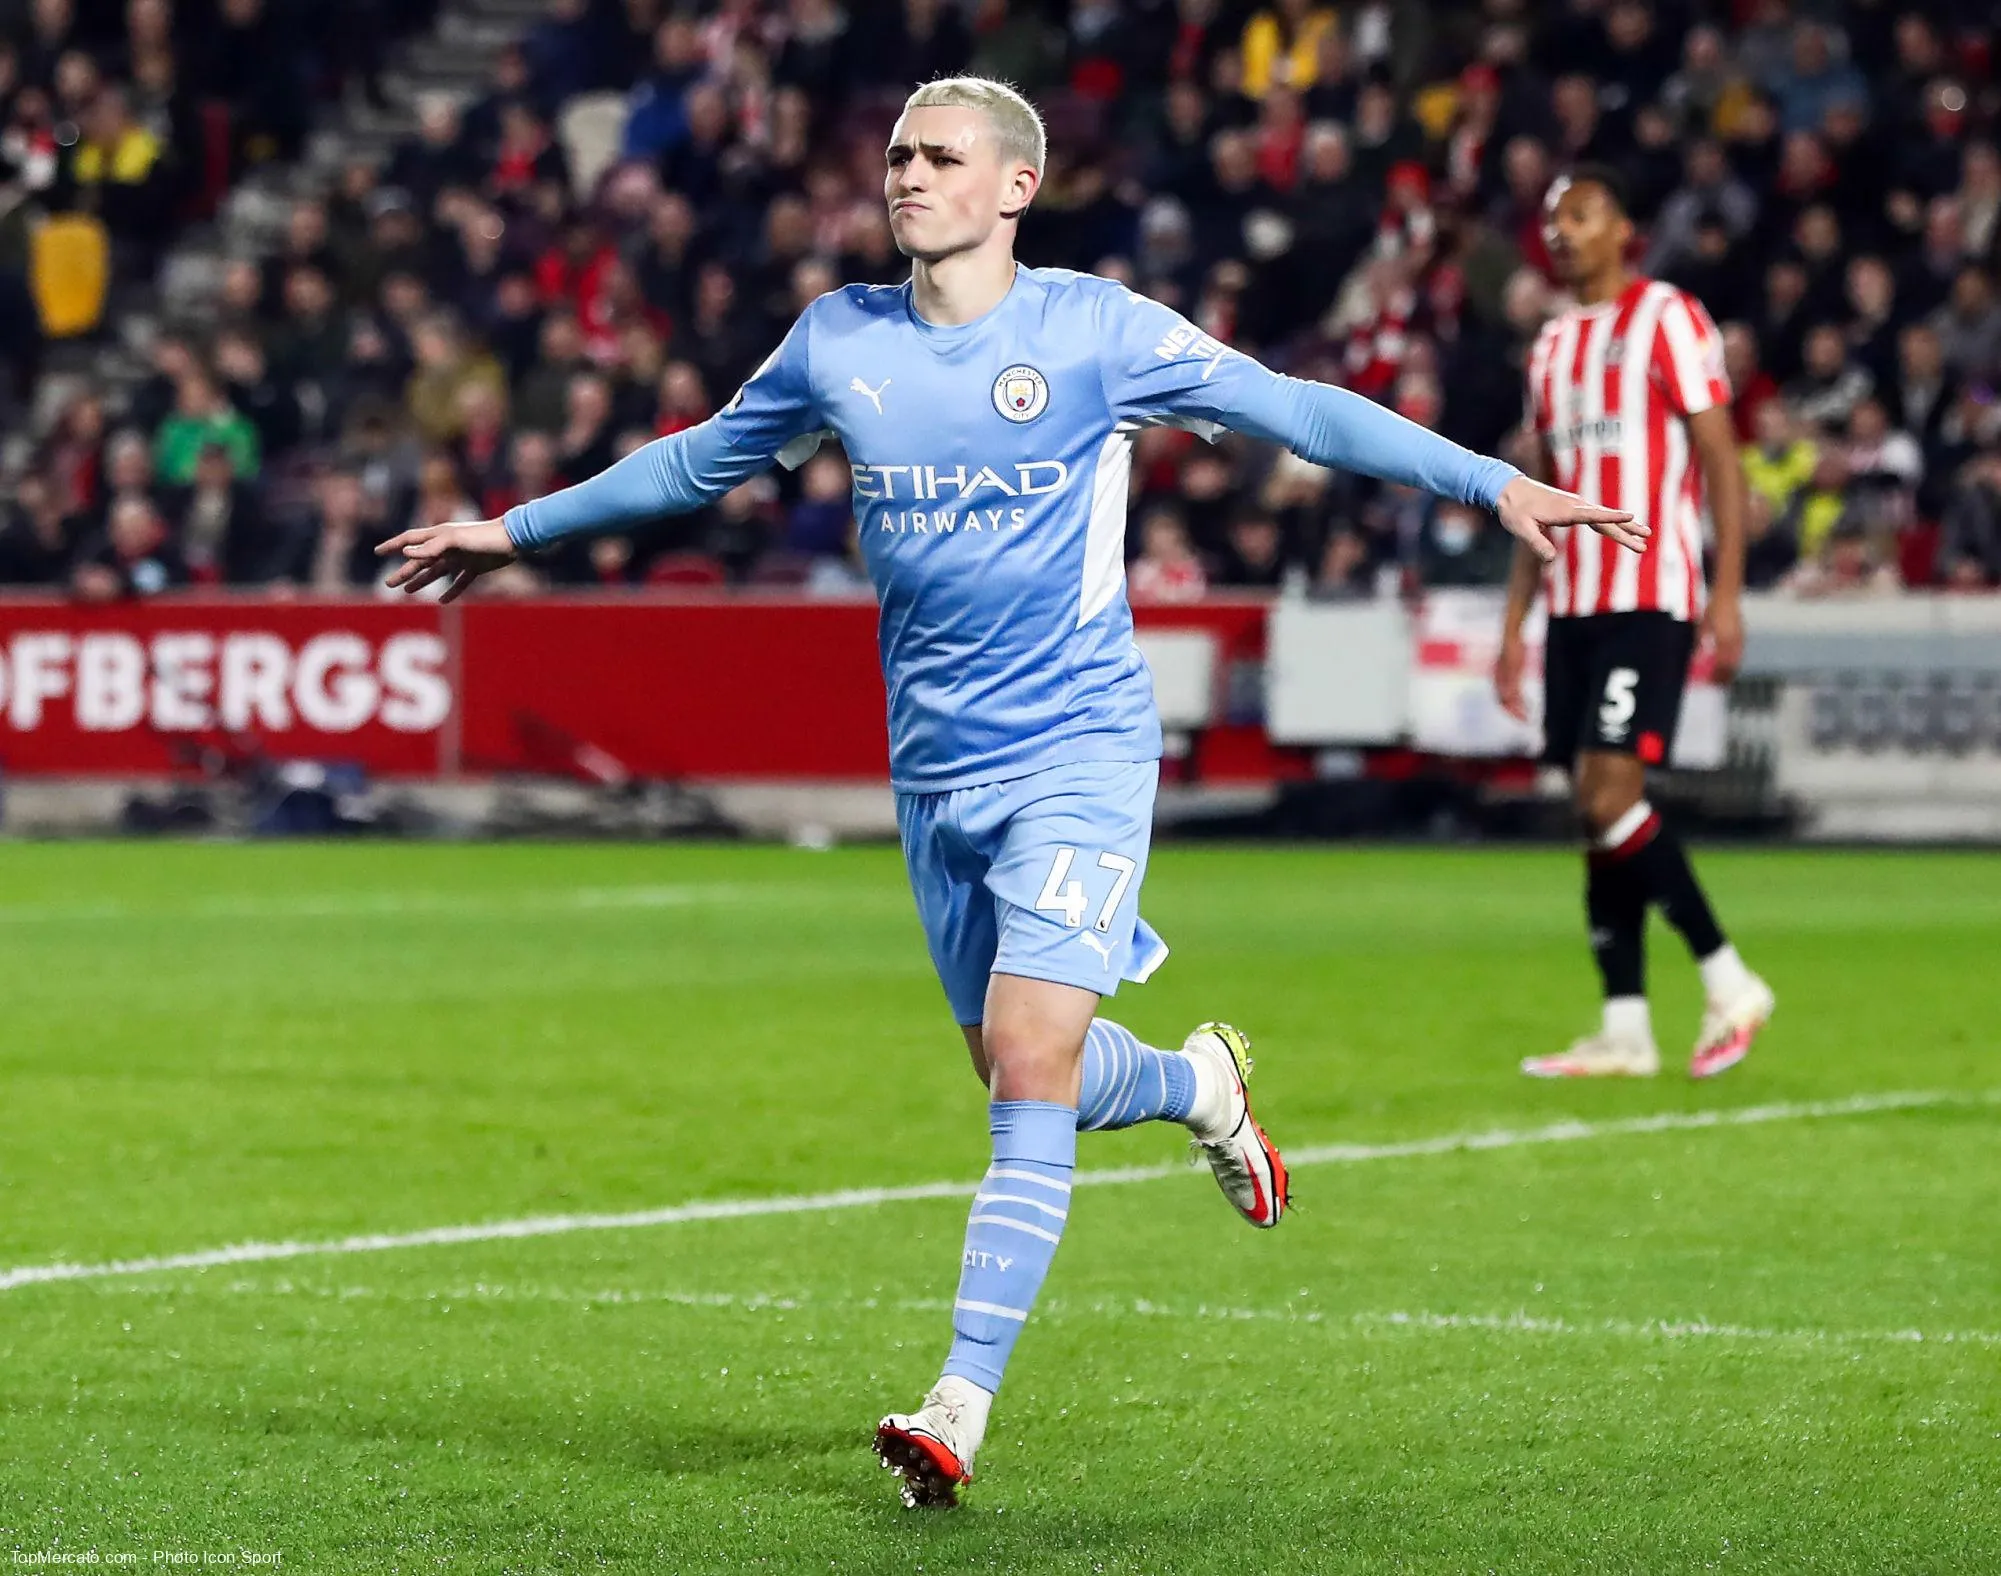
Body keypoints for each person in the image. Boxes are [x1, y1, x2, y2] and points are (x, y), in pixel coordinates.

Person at [378, 76, 1632, 1507]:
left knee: (1026, 1069)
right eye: (898, 152)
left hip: (1080, 751)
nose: (908, 174)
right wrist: (514, 530)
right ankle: (1195, 1085)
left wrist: (1491, 485)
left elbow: (1295, 412)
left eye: (941, 156)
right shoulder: (837, 342)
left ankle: (957, 1403)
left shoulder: (1094, 332)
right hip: (934, 773)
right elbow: (694, 463)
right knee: (1018, 1068)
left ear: (1014, 186)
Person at [1496, 164, 1776, 1083]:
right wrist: (1512, 627)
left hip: (1649, 592)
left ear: (1624, 229)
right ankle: (1624, 1028)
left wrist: (1725, 592)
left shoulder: (1669, 316)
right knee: (1592, 812)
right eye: (1554, 220)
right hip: (1570, 604)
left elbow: (1720, 459)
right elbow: (1532, 497)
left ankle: (1729, 978)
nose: (1565, 232)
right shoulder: (1547, 348)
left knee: (1611, 797)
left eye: (1583, 215)